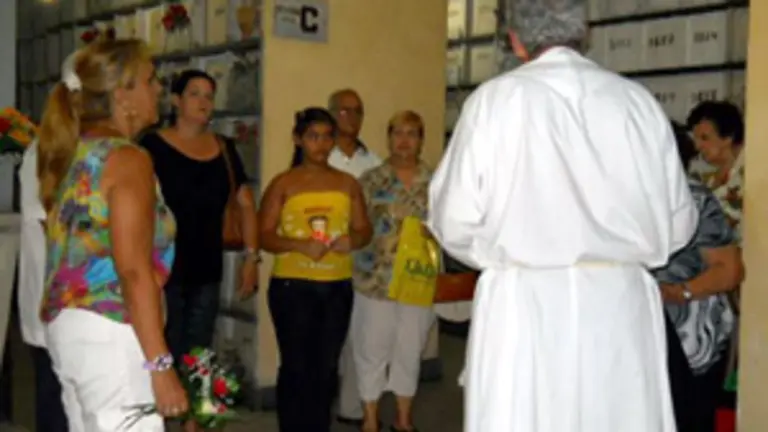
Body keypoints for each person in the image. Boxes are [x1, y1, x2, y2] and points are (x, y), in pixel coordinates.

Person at [426, 1, 698, 431]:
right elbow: (679, 221)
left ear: (515, 40)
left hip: (525, 301)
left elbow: (453, 218)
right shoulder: (635, 102)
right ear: (583, 30)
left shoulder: (496, 100)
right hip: (617, 303)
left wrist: (510, 255)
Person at [38, 39, 188, 431]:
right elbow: (133, 271)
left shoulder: (76, 152)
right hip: (111, 330)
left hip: (70, 328)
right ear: (122, 95)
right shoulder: (126, 159)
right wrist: (160, 365)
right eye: (150, 80)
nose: (159, 88)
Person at [139, 70, 259, 432]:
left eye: (209, 95)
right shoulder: (151, 145)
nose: (204, 102)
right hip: (161, 268)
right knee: (163, 347)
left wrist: (251, 257)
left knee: (200, 350)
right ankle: (157, 420)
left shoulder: (224, 148)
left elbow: (245, 202)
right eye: (194, 94)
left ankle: (194, 424)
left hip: (207, 266)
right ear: (176, 100)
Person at [260, 108, 372, 432]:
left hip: (336, 287)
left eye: (326, 137)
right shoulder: (283, 183)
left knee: (326, 368)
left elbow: (364, 229)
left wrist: (352, 240)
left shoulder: (347, 183)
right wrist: (298, 245)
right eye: (313, 137)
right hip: (292, 287)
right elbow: (264, 235)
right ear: (298, 139)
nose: (320, 144)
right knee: (296, 367)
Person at [655, 121, 744, 432]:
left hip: (690, 337)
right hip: (642, 335)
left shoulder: (694, 197)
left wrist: (680, 291)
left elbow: (729, 270)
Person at [352, 111, 434, 432]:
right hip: (375, 279)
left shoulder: (437, 181)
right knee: (371, 348)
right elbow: (356, 225)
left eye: (412, 133)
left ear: (421, 140)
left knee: (409, 349)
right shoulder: (370, 180)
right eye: (397, 133)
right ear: (388, 138)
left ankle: (403, 419)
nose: (404, 140)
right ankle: (370, 419)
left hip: (418, 280)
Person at [327, 88, 382, 427]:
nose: (352, 117)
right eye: (344, 111)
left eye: (358, 111)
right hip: (324, 259)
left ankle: (352, 408)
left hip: (363, 261)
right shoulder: (320, 156)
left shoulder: (373, 162)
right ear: (331, 114)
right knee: (325, 340)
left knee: (359, 338)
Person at [18, 138, 68, 432]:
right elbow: (45, 220)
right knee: (54, 398)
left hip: (69, 302)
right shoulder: (43, 150)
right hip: (50, 296)